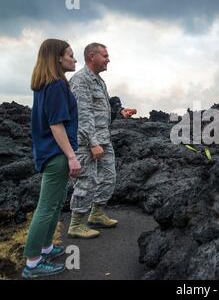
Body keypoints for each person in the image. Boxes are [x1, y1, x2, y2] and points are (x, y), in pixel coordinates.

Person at [22, 39, 81, 279]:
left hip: (48, 151)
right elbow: (56, 126)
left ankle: (46, 248)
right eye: (70, 54)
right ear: (57, 57)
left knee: (55, 204)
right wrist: (71, 157)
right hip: (57, 153)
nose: (74, 59)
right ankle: (33, 262)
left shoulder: (44, 84)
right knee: (46, 207)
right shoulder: (56, 85)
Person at [68, 42, 136, 238]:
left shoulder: (99, 81)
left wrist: (120, 112)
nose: (108, 59)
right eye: (105, 56)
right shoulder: (81, 80)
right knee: (86, 181)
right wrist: (92, 142)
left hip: (103, 139)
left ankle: (96, 214)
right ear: (92, 57)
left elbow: (101, 110)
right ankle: (76, 224)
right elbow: (82, 114)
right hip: (86, 142)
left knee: (109, 177)